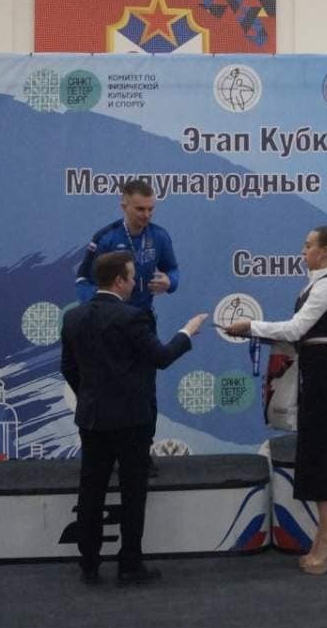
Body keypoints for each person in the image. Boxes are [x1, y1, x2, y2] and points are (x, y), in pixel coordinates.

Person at [61, 251, 206, 585]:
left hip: (92, 418)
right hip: (132, 421)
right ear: (119, 281)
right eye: (131, 277)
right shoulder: (133, 317)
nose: (134, 283)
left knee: (91, 490)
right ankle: (129, 564)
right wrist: (187, 332)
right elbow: (162, 357)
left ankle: (89, 563)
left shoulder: (73, 318)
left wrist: (89, 395)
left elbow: (68, 367)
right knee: (133, 493)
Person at [225, 226, 327, 575]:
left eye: (308, 245)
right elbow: (299, 337)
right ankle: (325, 535)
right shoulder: (316, 284)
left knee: (323, 455)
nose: (303, 251)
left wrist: (252, 326)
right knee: (315, 454)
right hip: (314, 375)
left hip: (323, 378)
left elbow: (296, 330)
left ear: (326, 251)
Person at [75, 179, 179, 474]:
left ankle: (142, 453)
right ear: (124, 205)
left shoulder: (159, 236)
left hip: (141, 323)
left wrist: (170, 282)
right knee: (107, 388)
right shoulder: (106, 238)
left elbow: (173, 270)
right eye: (140, 209)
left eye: (151, 209)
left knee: (145, 391)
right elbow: (83, 280)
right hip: (107, 327)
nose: (146, 215)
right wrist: (97, 311)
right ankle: (103, 456)